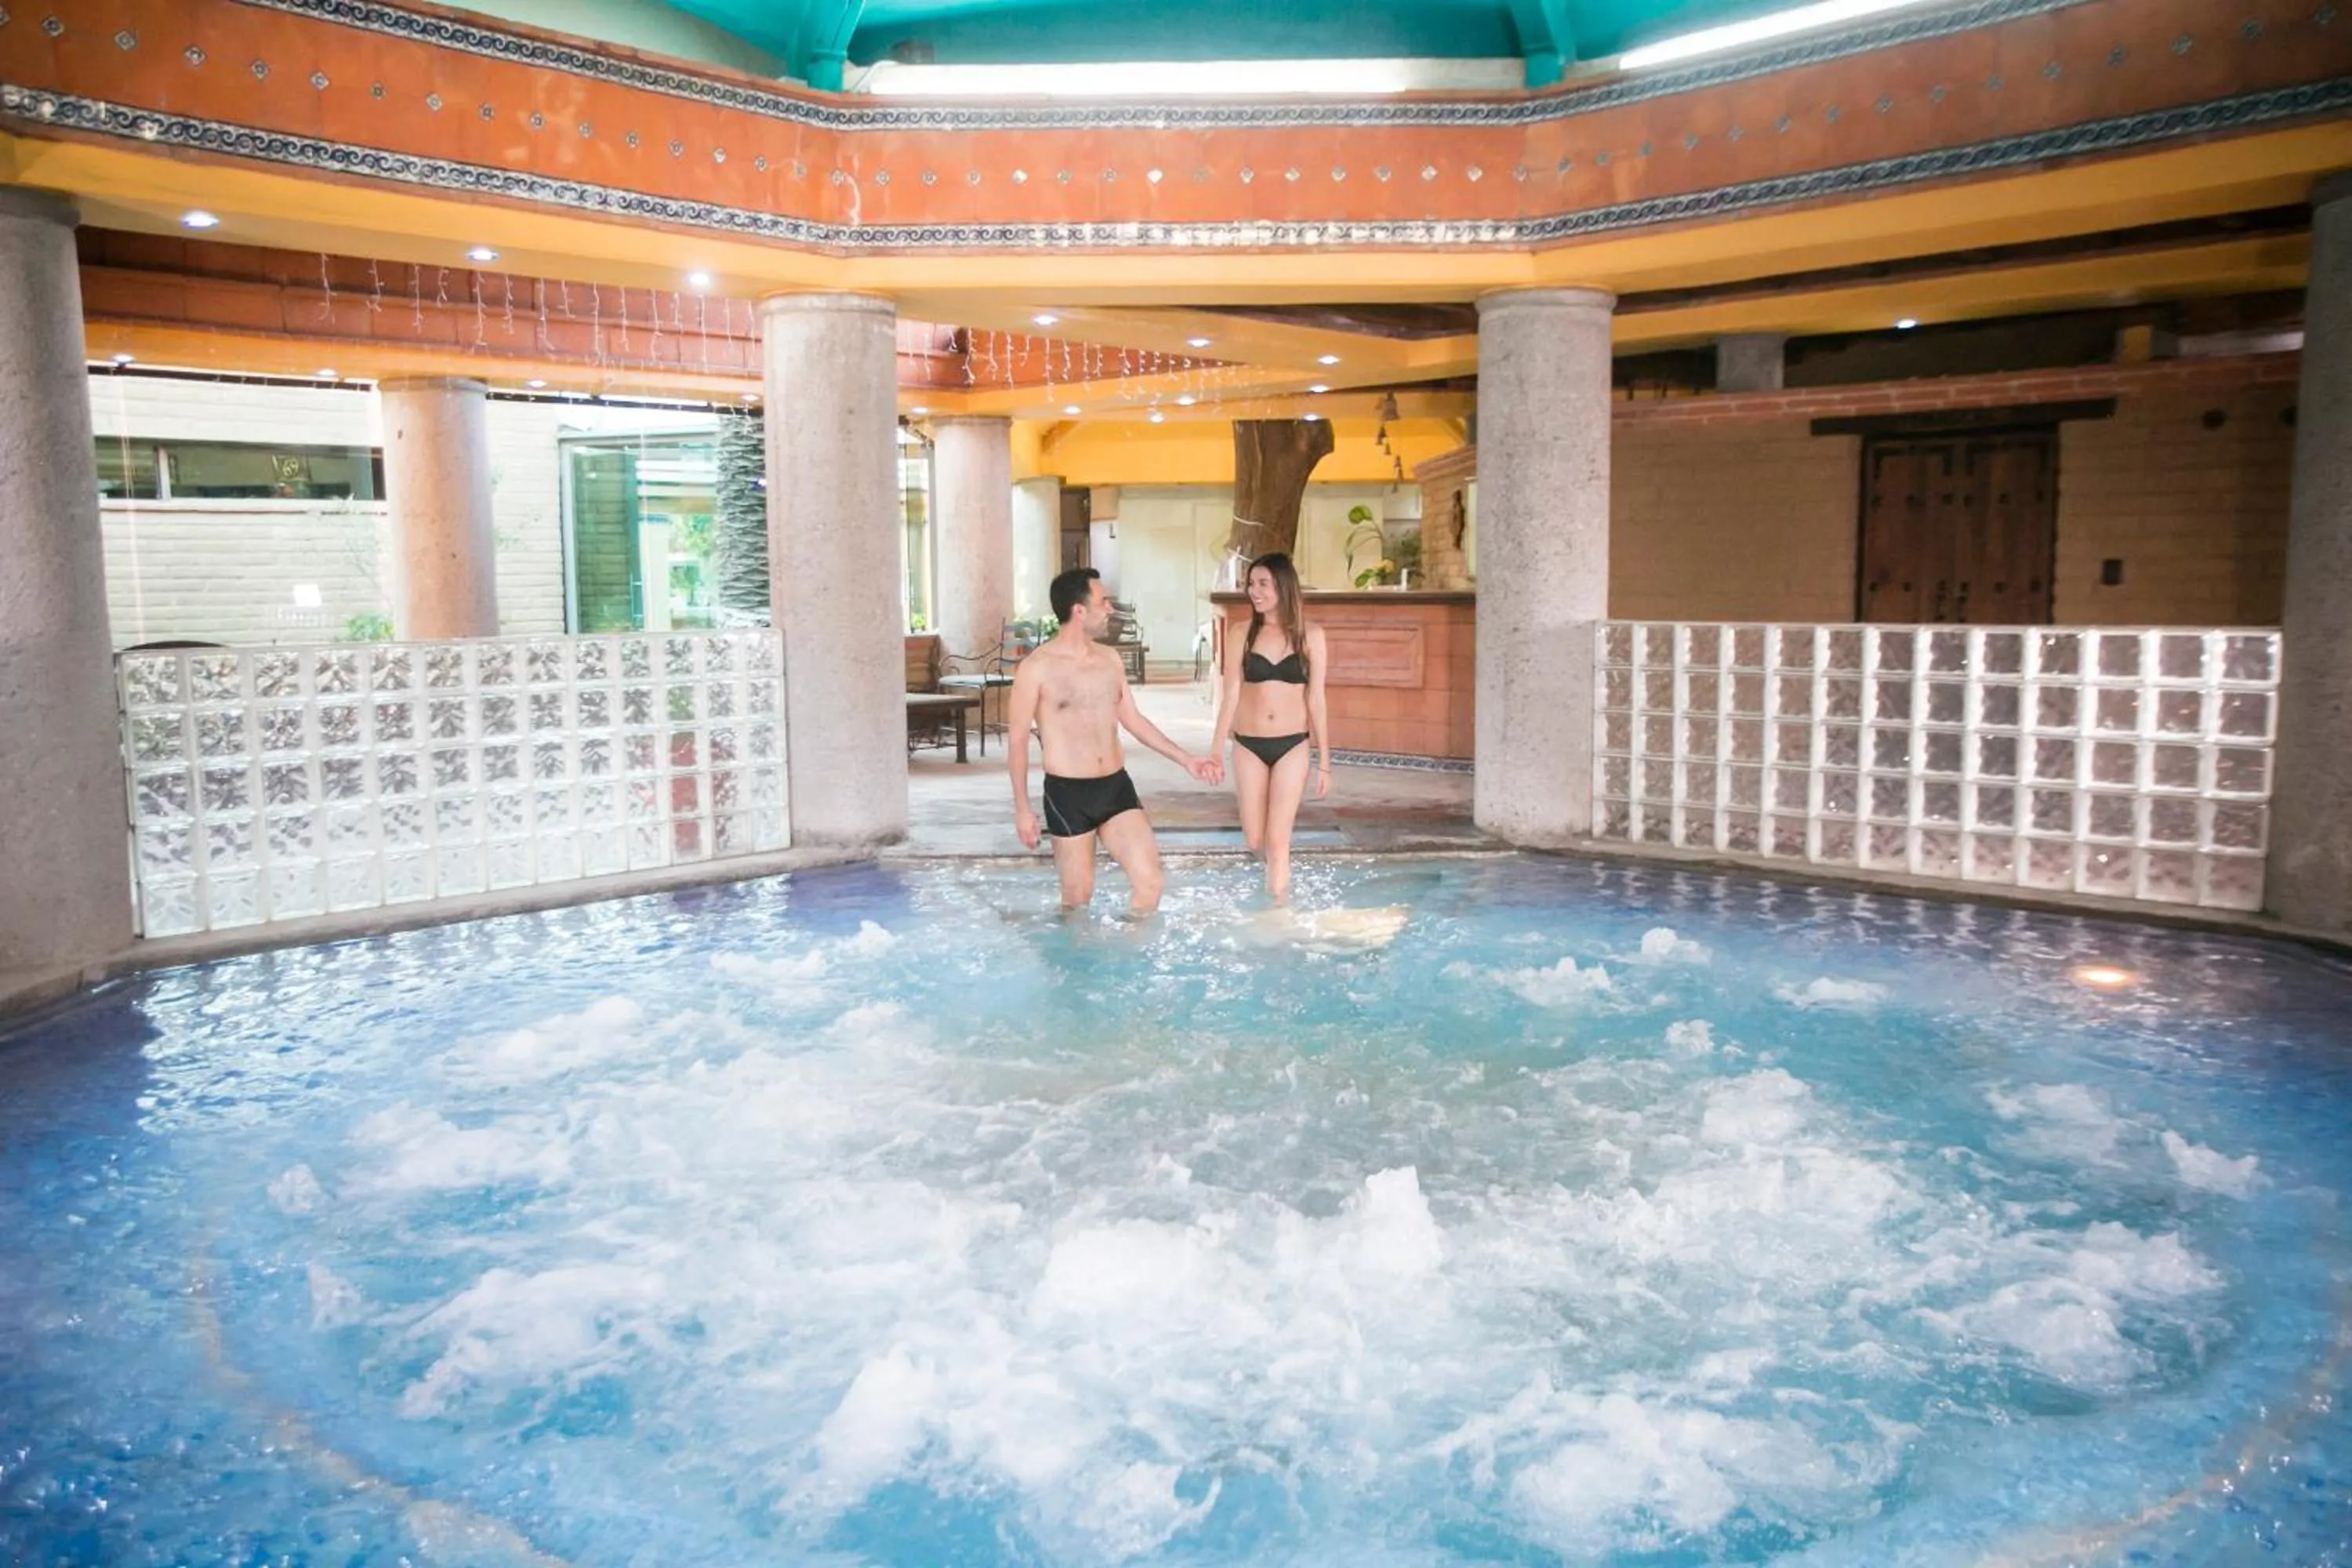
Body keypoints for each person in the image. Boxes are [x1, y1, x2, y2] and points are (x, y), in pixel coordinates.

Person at [1007, 567, 1221, 913]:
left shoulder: (1109, 660)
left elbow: (1133, 720)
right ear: (1079, 610)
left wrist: (1187, 759)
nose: (1110, 608)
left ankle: (1131, 947)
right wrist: (1022, 810)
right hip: (1068, 794)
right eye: (1103, 601)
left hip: (1115, 787)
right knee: (1078, 900)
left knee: (1150, 882)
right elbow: (1017, 740)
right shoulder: (1037, 668)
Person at [1210, 552, 1330, 902]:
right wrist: (1215, 749)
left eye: (1263, 583)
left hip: (1293, 745)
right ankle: (1278, 881)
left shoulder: (1311, 635)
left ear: (1283, 586)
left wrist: (1325, 760)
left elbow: (1317, 700)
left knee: (1278, 842)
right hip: (1248, 745)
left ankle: (1278, 913)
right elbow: (1231, 694)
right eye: (1251, 584)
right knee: (1255, 840)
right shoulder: (1241, 634)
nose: (1255, 591)